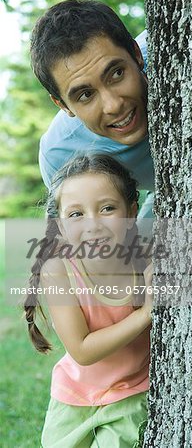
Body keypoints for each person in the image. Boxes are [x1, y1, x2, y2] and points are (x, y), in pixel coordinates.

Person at [24, 153, 153, 447]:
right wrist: (145, 314)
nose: (93, 224)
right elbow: (81, 349)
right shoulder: (59, 270)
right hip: (73, 394)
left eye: (107, 208)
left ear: (131, 211)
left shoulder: (145, 259)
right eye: (76, 214)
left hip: (132, 394)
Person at [30, 0, 154, 222]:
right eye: (85, 95)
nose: (113, 105)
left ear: (137, 54)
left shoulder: (177, 52)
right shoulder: (61, 155)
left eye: (116, 74)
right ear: (63, 105)